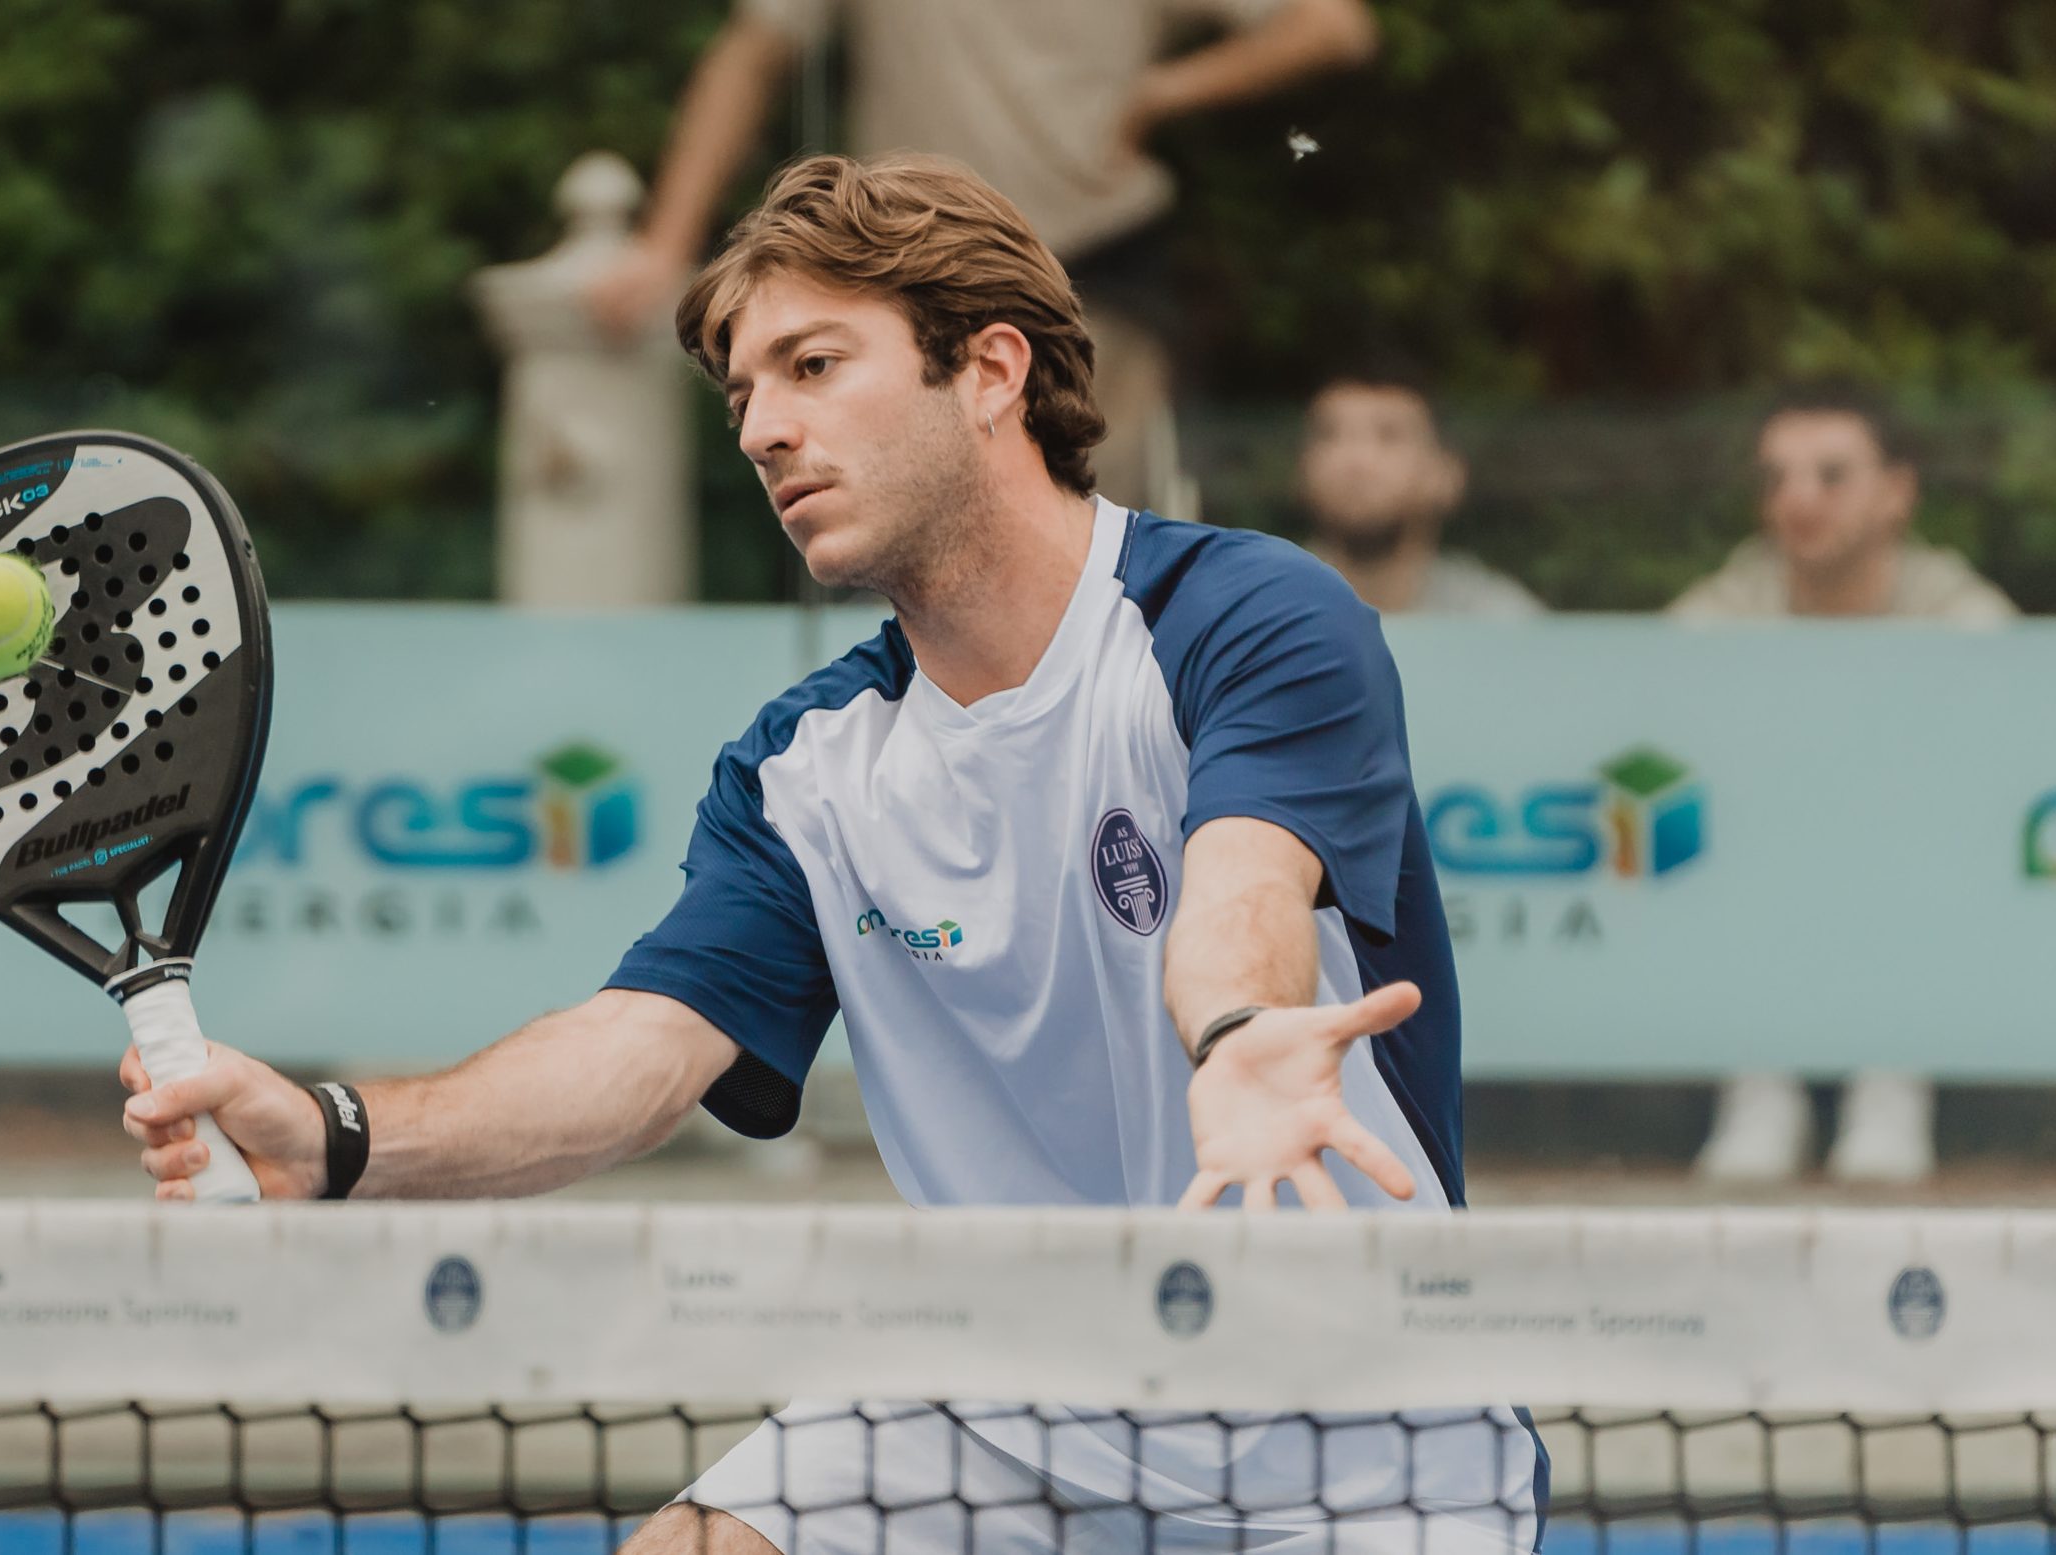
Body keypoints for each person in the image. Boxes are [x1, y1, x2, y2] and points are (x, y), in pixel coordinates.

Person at [131, 155, 1539, 1553]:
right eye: (743, 395)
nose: (762, 429)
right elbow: (639, 1049)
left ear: (989, 371)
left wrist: (1236, 1035)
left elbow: (1243, 881)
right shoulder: (803, 766)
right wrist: (337, 1134)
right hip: (1004, 1406)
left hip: (1369, 1451)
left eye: (812, 365)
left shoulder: (1245, 617)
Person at [583, 0, 1380, 515]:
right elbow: (753, 53)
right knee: (907, 531)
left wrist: (1159, 93)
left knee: (1086, 543)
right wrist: (665, 247)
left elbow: (1331, 25)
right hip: (908, 272)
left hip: (1091, 263)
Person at [1672, 384, 2015, 1186]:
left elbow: (1996, 760)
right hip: (1764, 876)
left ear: (1897, 491)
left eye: (1831, 475)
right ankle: (1759, 1084)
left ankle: (1891, 1078)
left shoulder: (1963, 615)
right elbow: (1658, 723)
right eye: (1777, 478)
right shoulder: (1720, 610)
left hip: (1914, 881)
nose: (1799, 499)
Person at [1294, 362, 1543, 617]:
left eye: (1389, 435)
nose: (1356, 461)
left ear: (1447, 474)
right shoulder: (1270, 610)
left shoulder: (1500, 621)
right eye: (1330, 435)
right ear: (1302, 468)